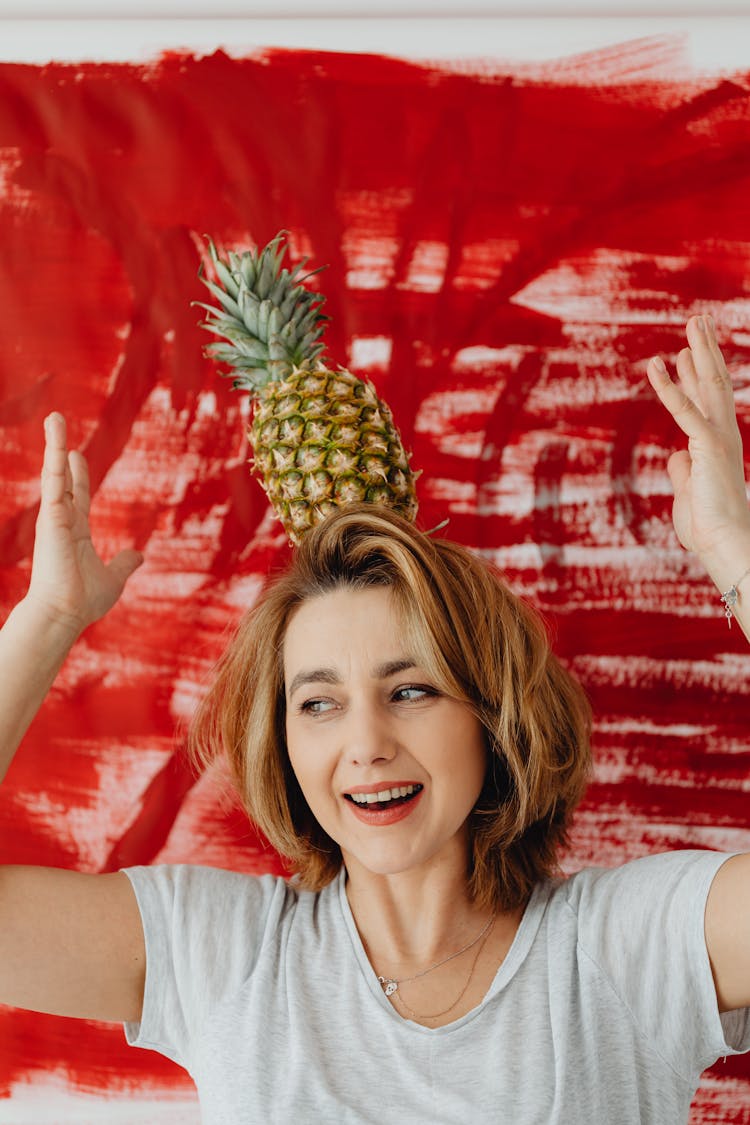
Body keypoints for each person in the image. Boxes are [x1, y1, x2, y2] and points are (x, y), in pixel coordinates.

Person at [0, 314, 748, 1123]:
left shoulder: (626, 948)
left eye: (411, 690)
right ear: (283, 743)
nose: (365, 745)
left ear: (489, 712)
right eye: (317, 703)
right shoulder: (226, 954)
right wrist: (46, 620)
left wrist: (732, 549)